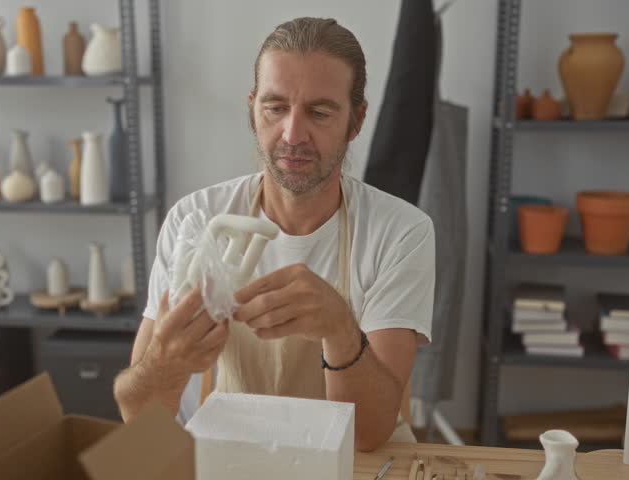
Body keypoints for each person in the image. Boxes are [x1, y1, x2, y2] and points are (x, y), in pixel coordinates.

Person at [114, 16, 435, 452]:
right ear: (253, 110)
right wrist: (164, 365)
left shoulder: (399, 232)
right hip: (232, 457)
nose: (293, 134)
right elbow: (136, 413)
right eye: (275, 107)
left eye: (319, 112)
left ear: (356, 121)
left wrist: (340, 330)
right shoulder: (197, 219)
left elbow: (369, 434)